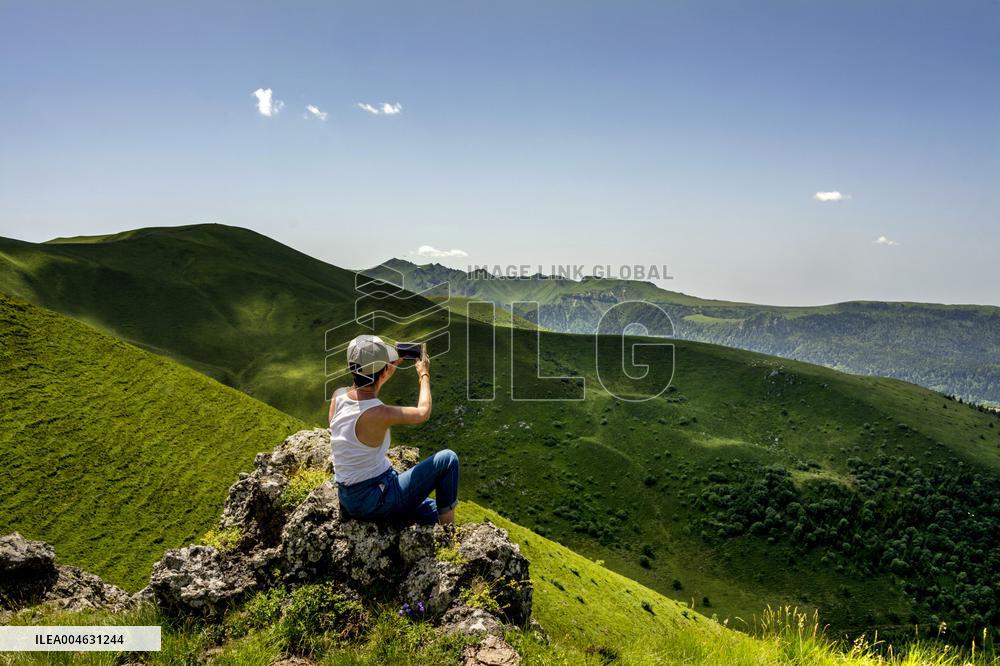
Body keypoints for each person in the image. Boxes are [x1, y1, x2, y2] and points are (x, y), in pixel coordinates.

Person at [329, 334, 459, 526]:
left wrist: (381, 371)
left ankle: (434, 523)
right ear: (383, 372)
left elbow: (363, 392)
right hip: (373, 499)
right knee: (448, 460)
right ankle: (449, 535)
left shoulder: (338, 397)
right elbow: (423, 412)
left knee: (431, 510)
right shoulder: (378, 413)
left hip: (349, 497)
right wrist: (424, 373)